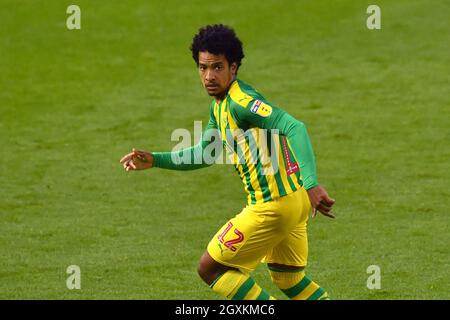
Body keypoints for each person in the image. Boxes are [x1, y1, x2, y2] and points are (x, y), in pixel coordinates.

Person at [120, 24, 335, 300]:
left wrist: (313, 184)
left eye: (217, 67)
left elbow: (295, 128)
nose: (209, 76)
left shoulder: (241, 101)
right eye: (203, 67)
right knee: (288, 277)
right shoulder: (219, 105)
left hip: (273, 207)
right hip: (295, 202)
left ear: (233, 68)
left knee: (210, 269)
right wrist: (156, 160)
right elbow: (204, 152)